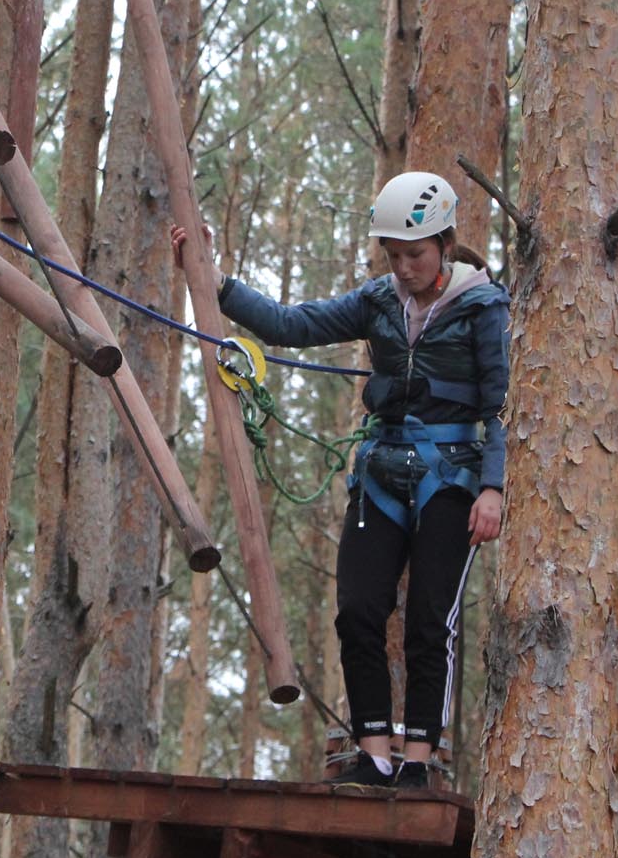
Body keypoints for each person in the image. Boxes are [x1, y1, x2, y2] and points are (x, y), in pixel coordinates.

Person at [173, 172, 509, 789]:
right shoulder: (380, 301)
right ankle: (375, 754)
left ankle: (419, 759)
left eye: (414, 255)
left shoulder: (484, 306)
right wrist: (215, 280)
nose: (403, 267)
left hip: (452, 475)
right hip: (381, 469)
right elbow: (288, 326)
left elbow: (501, 406)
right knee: (358, 610)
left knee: (431, 621)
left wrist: (493, 487)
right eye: (393, 255)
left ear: (444, 244)